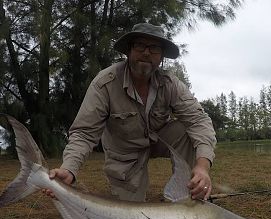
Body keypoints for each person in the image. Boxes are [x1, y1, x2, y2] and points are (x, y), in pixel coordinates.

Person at [45, 23, 216, 202]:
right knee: (129, 209)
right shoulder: (105, 84)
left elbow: (198, 121)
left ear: (161, 57)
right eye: (140, 45)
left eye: (154, 48)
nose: (147, 53)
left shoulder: (171, 84)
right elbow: (84, 133)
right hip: (124, 153)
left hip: (159, 139)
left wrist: (202, 166)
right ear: (129, 51)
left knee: (187, 130)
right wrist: (69, 169)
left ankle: (189, 197)